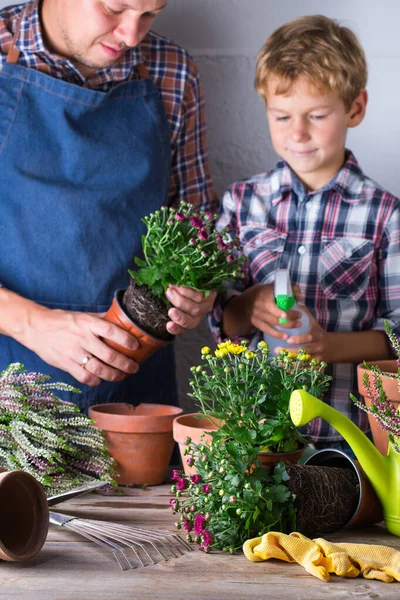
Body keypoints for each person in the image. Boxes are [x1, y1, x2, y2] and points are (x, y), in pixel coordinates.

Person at [0, 0, 218, 411]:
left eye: (151, 13)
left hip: (131, 397)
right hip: (8, 390)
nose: (132, 34)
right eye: (115, 8)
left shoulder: (172, 72)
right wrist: (33, 324)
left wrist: (198, 293)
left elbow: (197, 231)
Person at [209, 15, 400, 452]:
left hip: (346, 444)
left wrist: (326, 345)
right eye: (281, 116)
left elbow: (398, 336)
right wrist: (248, 305)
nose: (297, 133)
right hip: (251, 441)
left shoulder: (384, 215)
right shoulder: (244, 202)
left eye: (316, 115)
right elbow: (220, 316)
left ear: (355, 108)